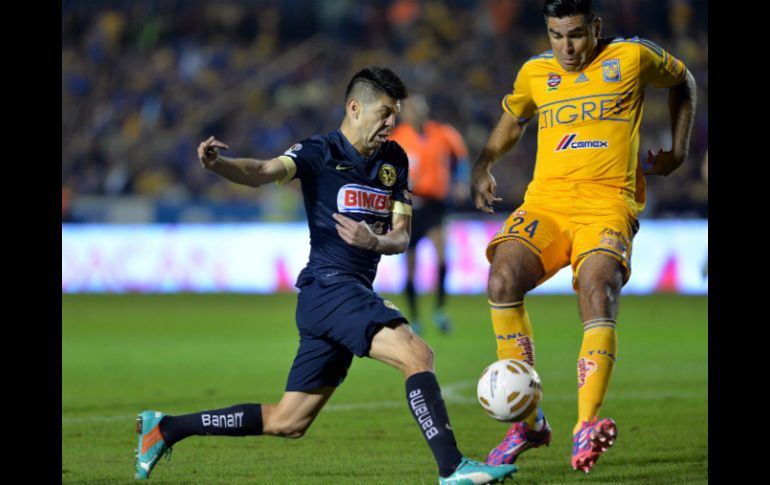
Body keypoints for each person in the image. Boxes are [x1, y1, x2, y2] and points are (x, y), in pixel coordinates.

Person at [134, 66, 517, 485]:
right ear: (355, 108)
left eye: (395, 114)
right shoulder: (319, 151)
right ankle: (452, 467)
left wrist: (374, 241)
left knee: (288, 421)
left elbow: (401, 236)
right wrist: (218, 164)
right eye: (384, 113)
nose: (391, 123)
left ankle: (165, 428)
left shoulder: (394, 160)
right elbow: (261, 171)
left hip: (335, 298)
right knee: (417, 355)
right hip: (330, 286)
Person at [471, 0, 696, 474]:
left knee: (598, 288)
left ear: (595, 27)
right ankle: (529, 425)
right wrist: (484, 163)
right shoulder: (535, 71)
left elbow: (684, 81)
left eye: (575, 34)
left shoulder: (632, 57)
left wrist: (679, 150)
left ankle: (585, 424)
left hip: (606, 204)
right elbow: (514, 117)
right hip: (546, 205)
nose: (566, 47)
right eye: (556, 35)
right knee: (502, 279)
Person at [389, 94, 470, 335]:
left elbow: (461, 158)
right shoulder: (397, 138)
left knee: (442, 255)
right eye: (411, 109)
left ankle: (440, 310)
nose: (416, 112)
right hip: (410, 205)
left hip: (436, 203)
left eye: (419, 107)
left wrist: (461, 182)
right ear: (404, 114)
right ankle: (415, 317)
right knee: (410, 263)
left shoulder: (443, 133)